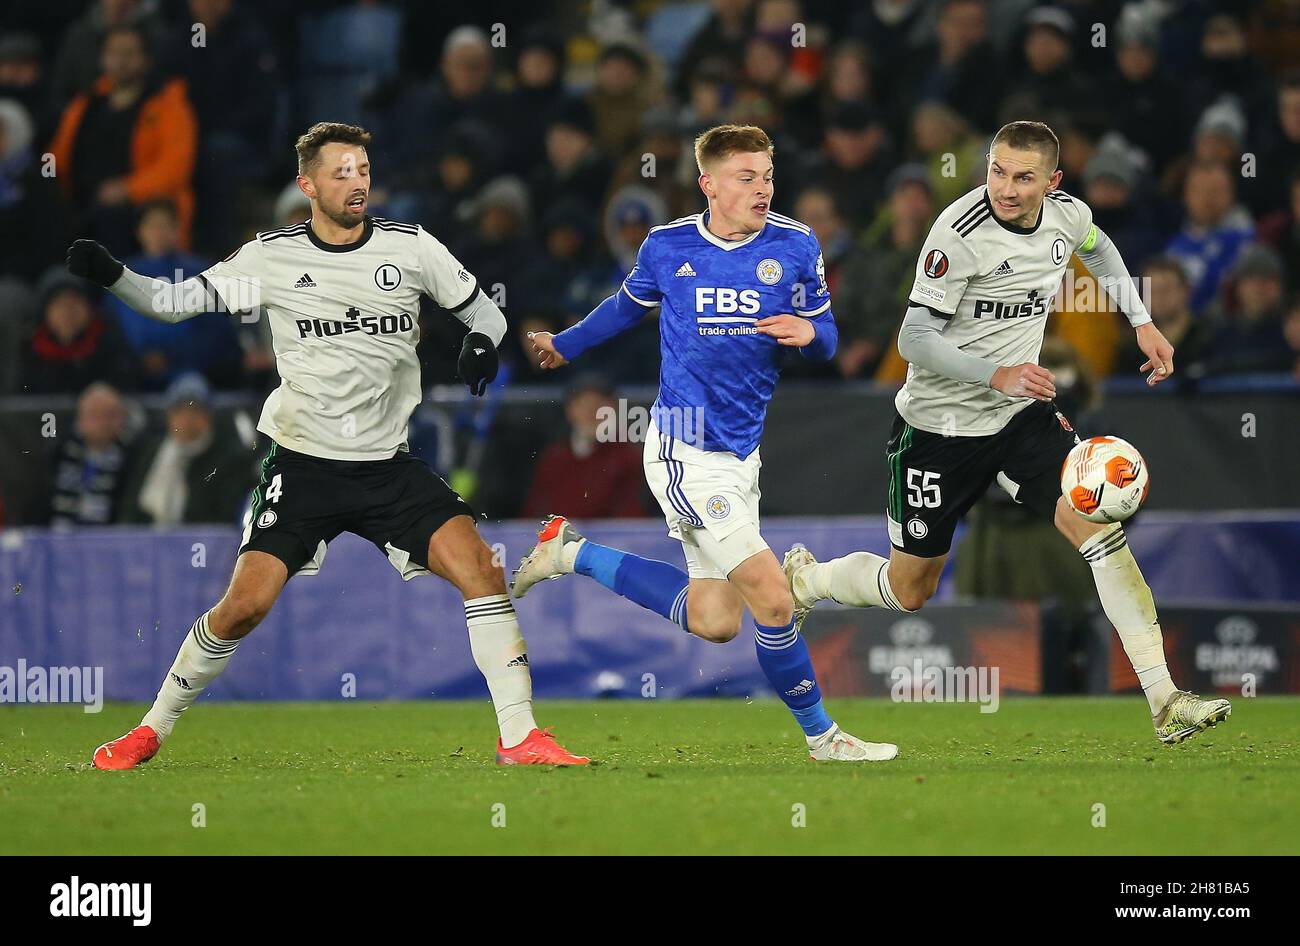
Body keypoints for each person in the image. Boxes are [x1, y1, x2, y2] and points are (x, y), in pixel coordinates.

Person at [67, 121, 587, 770]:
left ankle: (520, 738)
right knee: (243, 609)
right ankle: (149, 730)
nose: (356, 182)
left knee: (481, 572)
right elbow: (173, 304)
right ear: (307, 184)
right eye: (340, 172)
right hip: (305, 466)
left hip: (389, 467)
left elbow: (487, 309)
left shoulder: (412, 247)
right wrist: (115, 275)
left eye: (363, 170)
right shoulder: (270, 256)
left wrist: (480, 339)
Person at [782, 121, 1231, 747]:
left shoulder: (1067, 218)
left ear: (1054, 181)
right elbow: (913, 340)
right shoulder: (956, 235)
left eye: (1023, 177)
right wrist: (999, 372)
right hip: (938, 427)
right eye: (997, 171)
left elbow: (1099, 247)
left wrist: (1141, 321)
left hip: (1018, 417)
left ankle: (1164, 698)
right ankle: (808, 581)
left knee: (1099, 528)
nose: (1006, 188)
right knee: (910, 588)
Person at [517, 124, 897, 763]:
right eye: (746, 178)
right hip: (682, 450)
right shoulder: (668, 247)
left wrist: (810, 332)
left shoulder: (796, 245)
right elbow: (622, 308)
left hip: (741, 454)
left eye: (768, 177)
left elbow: (829, 335)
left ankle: (569, 553)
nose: (762, 190)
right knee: (774, 598)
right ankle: (824, 739)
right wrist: (564, 344)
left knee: (715, 621)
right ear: (709, 185)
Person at [118, 373, 253, 525]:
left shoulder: (229, 458)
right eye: (179, 411)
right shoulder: (151, 451)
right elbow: (131, 504)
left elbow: (223, 512)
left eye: (195, 410)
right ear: (169, 416)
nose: (187, 419)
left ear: (208, 416)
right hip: (148, 538)